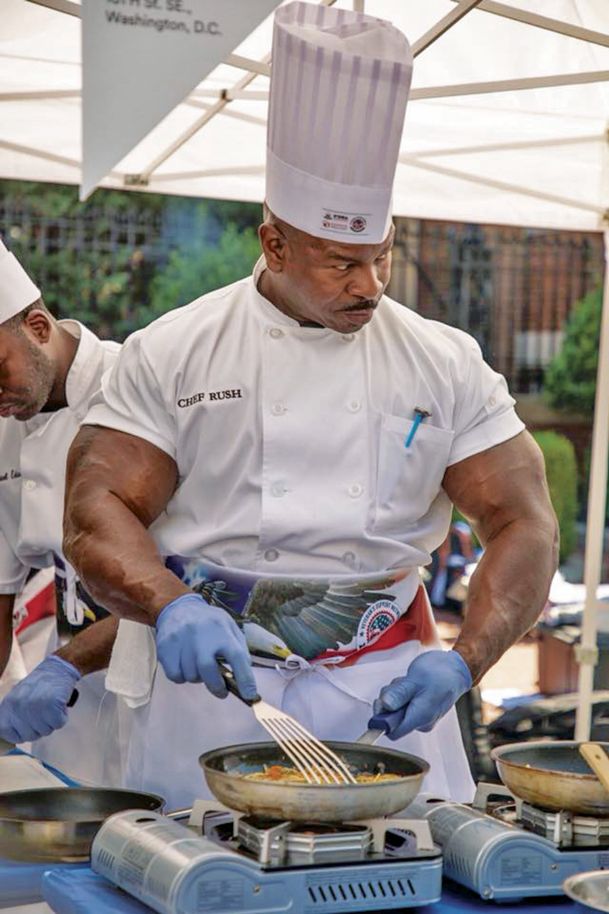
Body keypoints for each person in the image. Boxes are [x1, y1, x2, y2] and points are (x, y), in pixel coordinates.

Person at [63, 1, 558, 807]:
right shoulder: (176, 347)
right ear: (274, 244)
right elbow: (96, 509)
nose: (369, 285)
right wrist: (169, 605)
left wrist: (465, 660)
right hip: (212, 691)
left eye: (382, 257)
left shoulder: (443, 360)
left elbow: (523, 521)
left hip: (387, 694)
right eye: (339, 264)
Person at [0, 239, 122, 784]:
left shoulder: (134, 384)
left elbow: (183, 578)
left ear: (38, 328)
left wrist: (64, 666)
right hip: (70, 696)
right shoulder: (5, 425)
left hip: (167, 687)